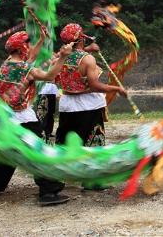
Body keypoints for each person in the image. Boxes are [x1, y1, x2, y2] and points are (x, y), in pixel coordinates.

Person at [0, 30, 72, 206]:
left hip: (6, 117)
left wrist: (42, 39)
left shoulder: (6, 66)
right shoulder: (24, 69)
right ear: (22, 48)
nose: (29, 48)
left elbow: (30, 58)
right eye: (27, 44)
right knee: (39, 151)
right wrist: (63, 57)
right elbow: (49, 76)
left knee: (7, 155)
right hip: (24, 118)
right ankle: (48, 192)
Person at [55, 23, 128, 189]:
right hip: (87, 105)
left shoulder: (61, 56)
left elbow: (75, 56)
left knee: (66, 141)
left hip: (67, 105)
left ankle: (56, 177)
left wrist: (87, 49)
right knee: (92, 143)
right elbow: (95, 86)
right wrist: (116, 88)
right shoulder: (88, 60)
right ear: (81, 39)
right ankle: (92, 181)